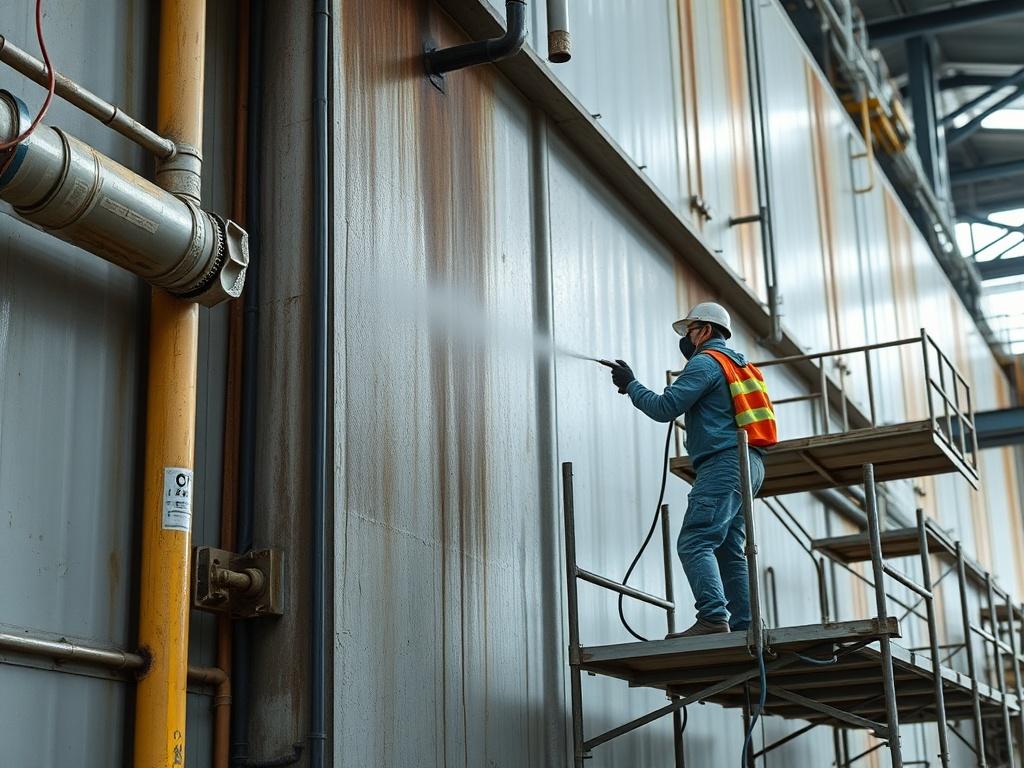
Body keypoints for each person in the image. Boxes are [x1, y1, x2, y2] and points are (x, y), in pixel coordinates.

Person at [607, 302, 776, 637]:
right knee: (729, 549)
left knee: (695, 541)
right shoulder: (742, 366)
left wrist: (631, 385)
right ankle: (746, 624)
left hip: (723, 463)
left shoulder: (705, 363)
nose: (686, 338)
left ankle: (713, 617)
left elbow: (665, 407)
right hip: (750, 465)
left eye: (690, 330)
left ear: (706, 331)